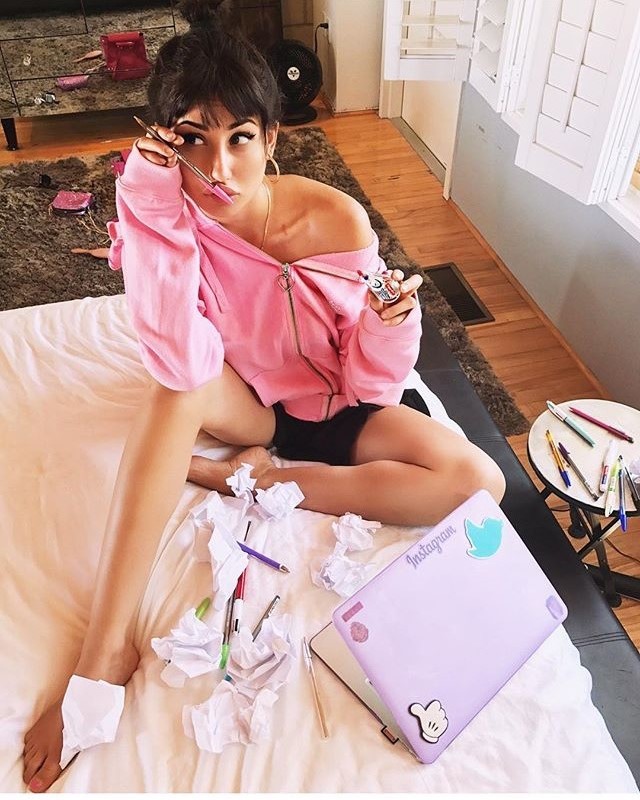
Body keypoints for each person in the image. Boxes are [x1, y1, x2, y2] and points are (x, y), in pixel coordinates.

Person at [22, 0, 505, 791]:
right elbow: (179, 355)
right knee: (176, 391)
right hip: (250, 399)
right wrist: (146, 203)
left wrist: (391, 325)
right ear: (163, 144)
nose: (218, 169)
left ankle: (248, 479)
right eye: (192, 140)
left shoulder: (337, 220)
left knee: (478, 480)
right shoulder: (168, 218)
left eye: (240, 138)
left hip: (340, 408)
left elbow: (372, 385)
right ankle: (105, 650)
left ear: (271, 139)